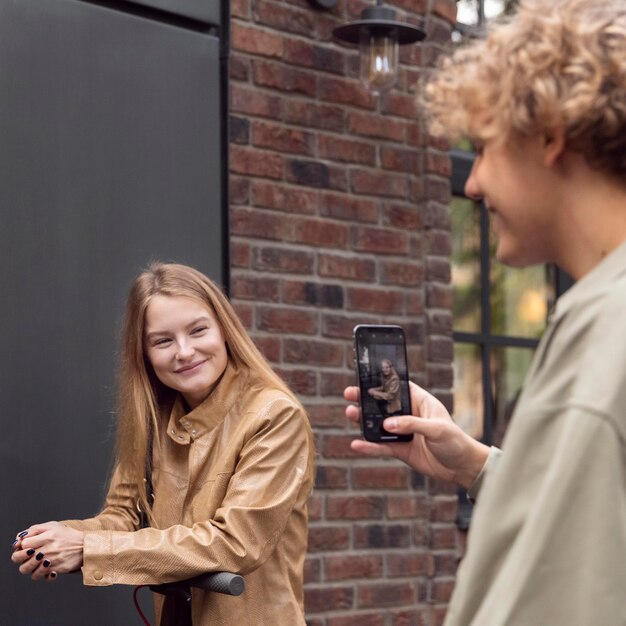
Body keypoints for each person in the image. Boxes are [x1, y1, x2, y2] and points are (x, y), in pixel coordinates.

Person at [345, 0, 626, 624]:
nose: (472, 184)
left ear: (551, 136)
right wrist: (472, 461)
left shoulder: (606, 332)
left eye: (485, 147)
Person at [11, 262, 315, 625]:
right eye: (163, 340)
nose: (184, 352)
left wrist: (86, 549)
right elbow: (123, 517)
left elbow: (236, 542)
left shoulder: (274, 414)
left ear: (225, 331)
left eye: (198, 330)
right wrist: (60, 538)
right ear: (144, 352)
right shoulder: (155, 417)